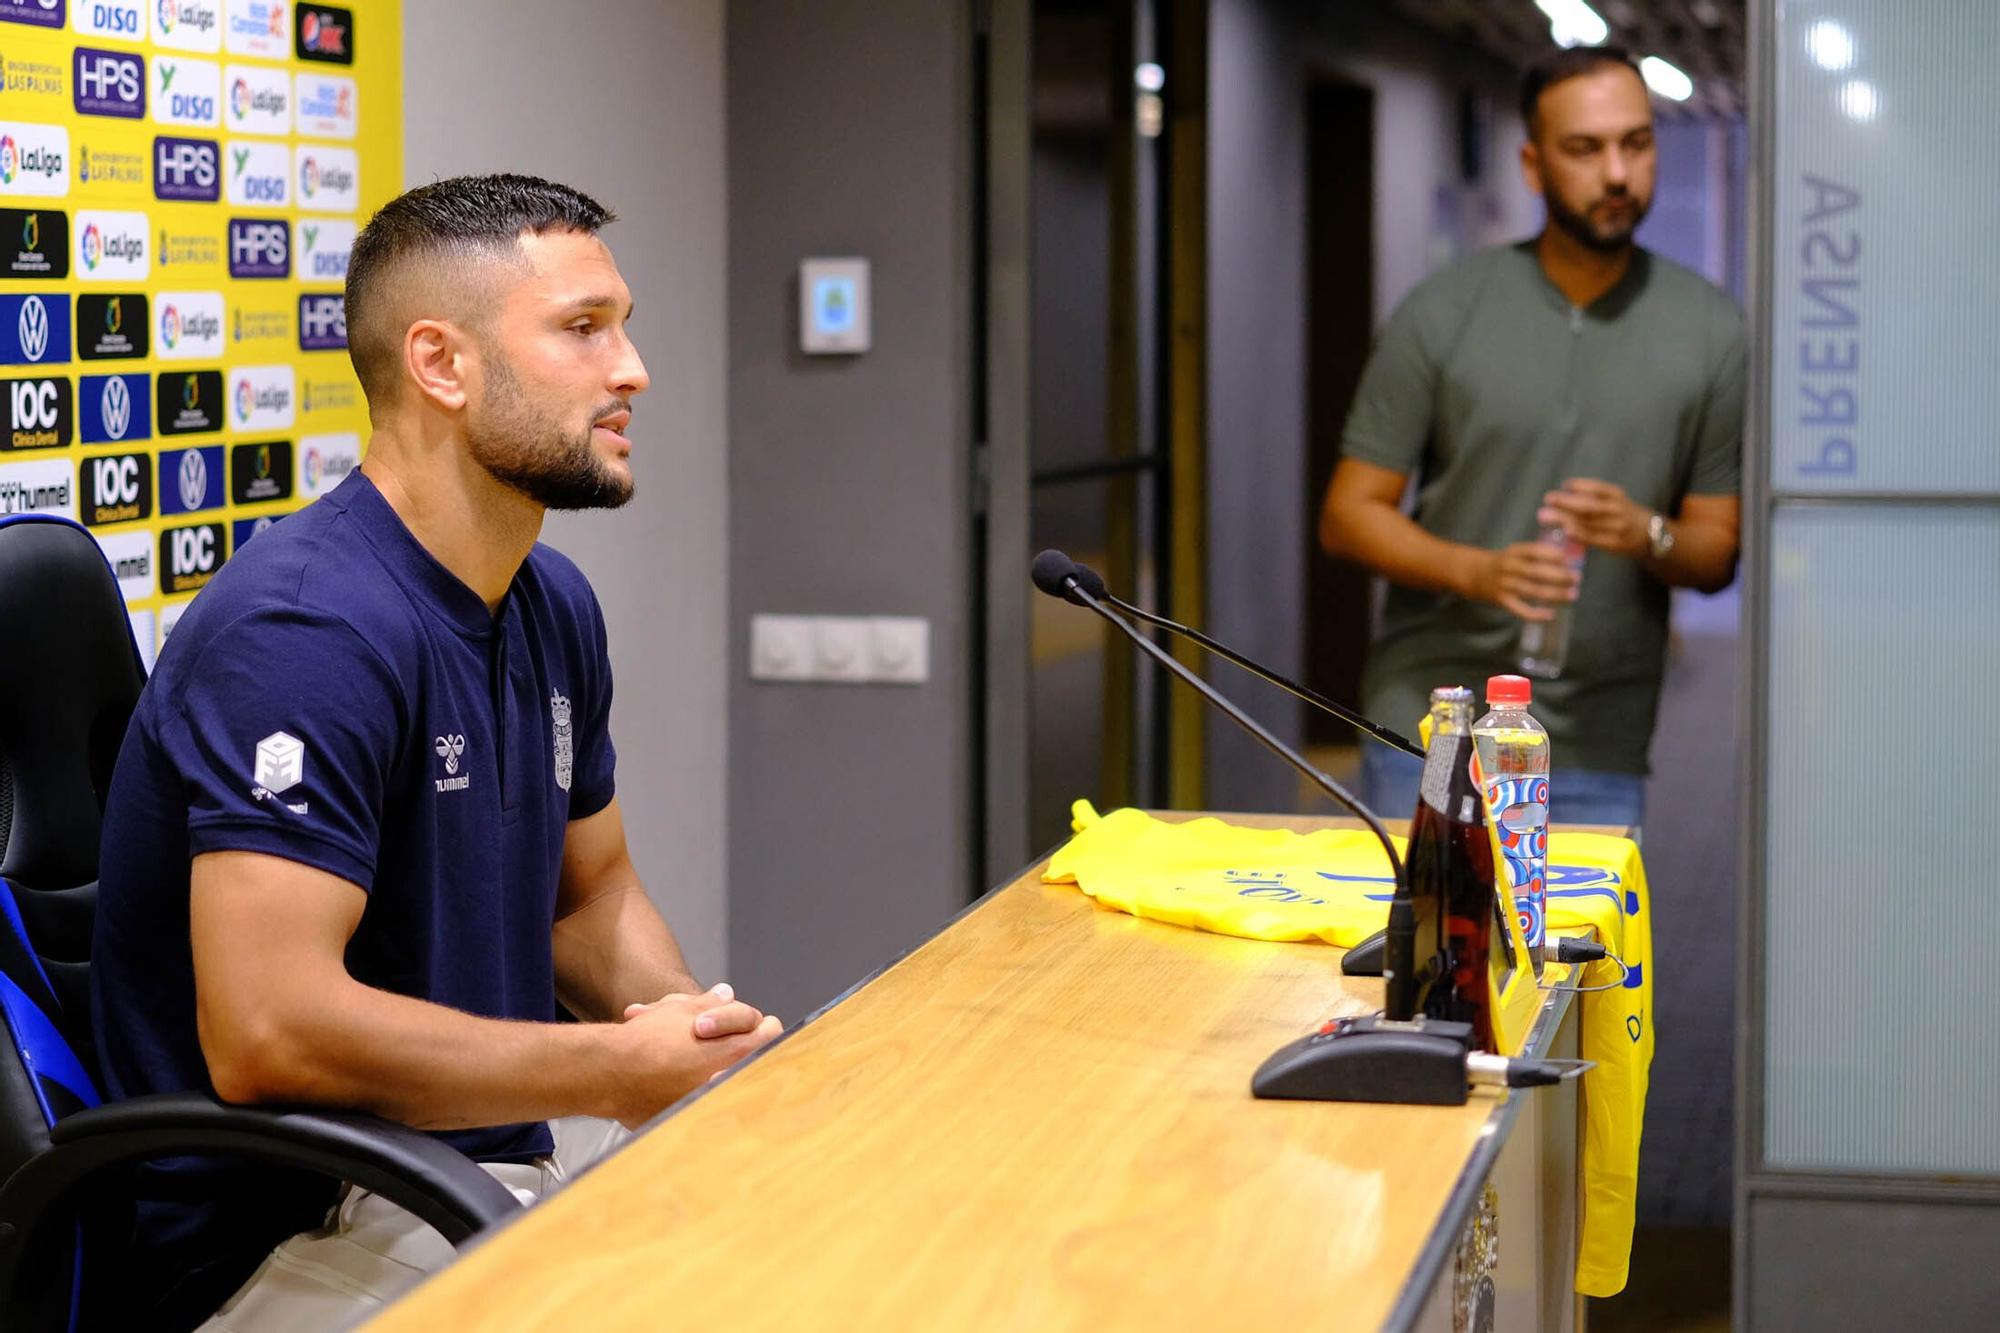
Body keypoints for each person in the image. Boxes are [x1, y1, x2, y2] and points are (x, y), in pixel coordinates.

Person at [91, 175, 780, 1330]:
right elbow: (270, 1029)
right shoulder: (305, 629)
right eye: (581, 329)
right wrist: (612, 1072)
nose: (631, 370)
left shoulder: (548, 598)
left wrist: (694, 1034)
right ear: (441, 365)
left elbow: (589, 899)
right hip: (280, 1243)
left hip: (462, 1186)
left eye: (621, 324)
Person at [1318, 46, 1745, 830]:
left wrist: (1645, 531)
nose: (1617, 173)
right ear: (1532, 163)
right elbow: (1350, 513)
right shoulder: (1444, 310)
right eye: (1585, 148)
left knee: (1572, 955)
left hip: (1596, 736)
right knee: (1424, 952)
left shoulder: (1714, 331)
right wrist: (1476, 570)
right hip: (1433, 722)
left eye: (1636, 143)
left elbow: (1716, 551)